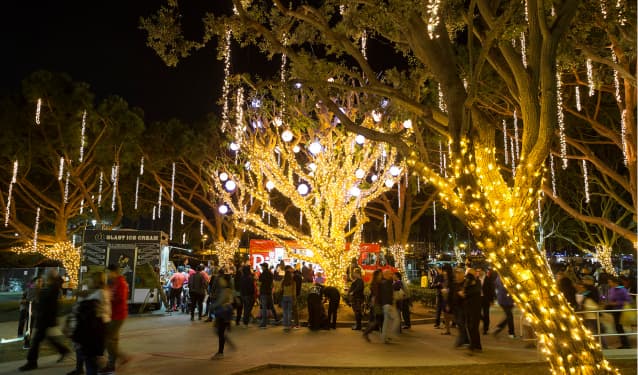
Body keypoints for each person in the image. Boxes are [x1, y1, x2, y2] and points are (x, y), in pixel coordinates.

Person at [19, 269, 71, 372]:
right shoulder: (48, 287)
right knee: (46, 339)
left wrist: (38, 292)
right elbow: (36, 296)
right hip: (45, 318)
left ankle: (32, 362)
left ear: (50, 277)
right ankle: (63, 350)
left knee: (36, 341)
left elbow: (46, 303)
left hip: (45, 319)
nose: (43, 277)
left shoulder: (53, 288)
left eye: (46, 275)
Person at [68, 272, 110, 375]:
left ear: (95, 281)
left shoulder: (99, 293)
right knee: (82, 352)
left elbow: (77, 294)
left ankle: (85, 370)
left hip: (95, 329)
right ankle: (79, 369)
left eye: (90, 280)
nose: (88, 282)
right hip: (94, 327)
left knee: (91, 359)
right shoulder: (99, 291)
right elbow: (78, 294)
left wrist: (81, 284)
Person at [101, 264, 130, 373]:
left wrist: (108, 298)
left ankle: (121, 357)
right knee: (113, 340)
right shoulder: (114, 282)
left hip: (118, 315)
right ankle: (111, 365)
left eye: (108, 272)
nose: (107, 274)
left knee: (109, 340)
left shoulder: (121, 283)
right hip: (113, 314)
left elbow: (121, 298)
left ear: (114, 272)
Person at [211, 275, 235, 359]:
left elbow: (221, 301)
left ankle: (220, 352)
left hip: (223, 311)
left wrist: (212, 306)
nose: (220, 281)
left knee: (219, 331)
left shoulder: (225, 290)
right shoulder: (228, 290)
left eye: (221, 280)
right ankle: (224, 346)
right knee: (219, 330)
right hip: (226, 311)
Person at [606, 277, 631, 349]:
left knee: (619, 327)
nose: (609, 283)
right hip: (614, 311)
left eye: (610, 282)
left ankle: (626, 344)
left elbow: (628, 300)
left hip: (620, 311)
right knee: (617, 327)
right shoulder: (612, 289)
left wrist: (617, 303)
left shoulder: (622, 289)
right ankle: (624, 343)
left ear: (615, 282)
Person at [492, 274, 515, 339]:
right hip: (505, 300)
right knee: (509, 316)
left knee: (509, 316)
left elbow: (496, 286)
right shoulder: (503, 277)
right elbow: (504, 288)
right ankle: (511, 333)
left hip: (505, 299)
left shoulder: (498, 277)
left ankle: (500, 328)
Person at [363, 269, 384, 342]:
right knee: (378, 320)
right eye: (380, 274)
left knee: (377, 319)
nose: (381, 276)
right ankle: (366, 332)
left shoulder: (376, 283)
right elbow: (376, 295)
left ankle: (384, 335)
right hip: (377, 304)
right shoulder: (375, 283)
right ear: (377, 275)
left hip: (375, 303)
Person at [258, 263, 277, 328]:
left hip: (263, 292)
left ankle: (264, 323)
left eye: (262, 266)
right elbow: (272, 282)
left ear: (264, 267)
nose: (261, 268)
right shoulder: (270, 273)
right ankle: (276, 319)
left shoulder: (263, 274)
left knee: (264, 308)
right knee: (271, 306)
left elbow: (259, 281)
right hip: (269, 291)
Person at [478, 268, 495, 335]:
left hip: (486, 298)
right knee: (478, 312)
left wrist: (491, 300)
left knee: (486, 313)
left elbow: (491, 289)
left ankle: (486, 329)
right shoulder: (477, 279)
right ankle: (484, 320)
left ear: (483, 271)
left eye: (479, 271)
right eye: (477, 271)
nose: (478, 272)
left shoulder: (488, 279)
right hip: (479, 299)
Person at [280, 267, 296, 331]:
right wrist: (294, 299)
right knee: (289, 311)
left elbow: (281, 289)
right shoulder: (293, 282)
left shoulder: (283, 281)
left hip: (284, 297)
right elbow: (294, 292)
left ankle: (285, 325)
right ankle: (289, 325)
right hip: (290, 297)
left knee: (285, 312)